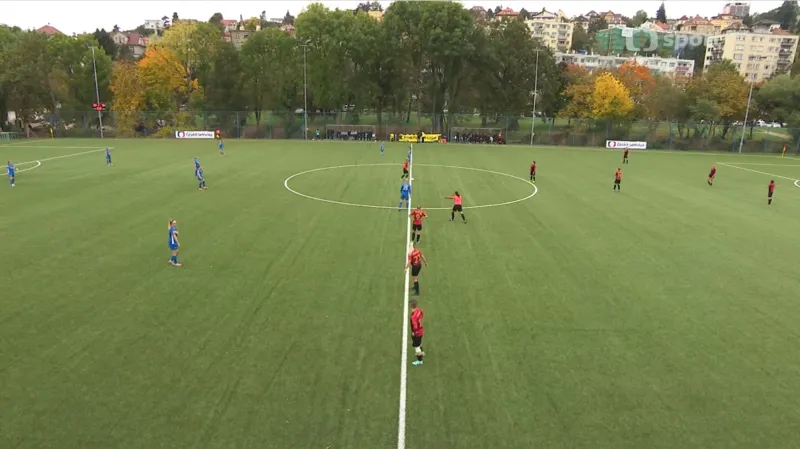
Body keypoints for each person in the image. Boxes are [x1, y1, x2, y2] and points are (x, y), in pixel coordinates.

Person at [409, 299, 425, 366]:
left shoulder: (413, 317)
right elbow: (422, 315)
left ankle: (419, 361)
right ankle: (422, 352)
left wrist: (414, 332)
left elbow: (415, 326)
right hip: (421, 330)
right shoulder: (419, 310)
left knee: (416, 346)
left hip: (417, 332)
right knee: (419, 343)